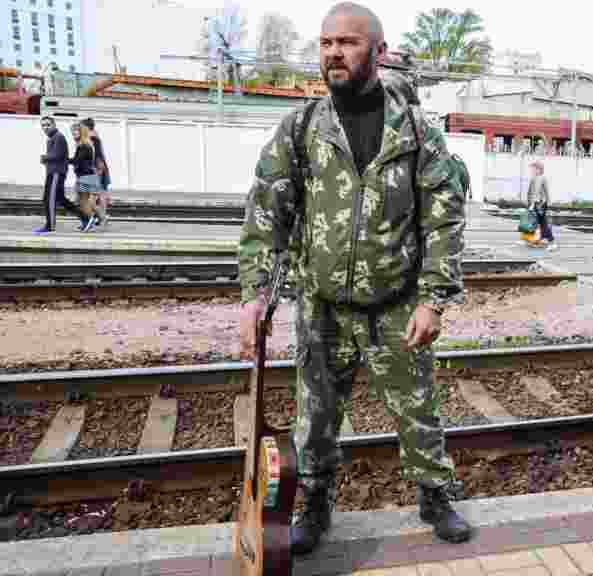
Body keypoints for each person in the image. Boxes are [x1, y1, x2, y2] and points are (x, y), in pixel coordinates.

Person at [238, 1, 473, 556]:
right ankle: (315, 505)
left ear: (379, 52)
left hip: (396, 302)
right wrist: (256, 296)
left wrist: (433, 300)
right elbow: (267, 212)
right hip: (323, 307)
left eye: (348, 42)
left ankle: (435, 496)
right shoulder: (302, 128)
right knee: (315, 417)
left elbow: (443, 218)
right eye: (326, 43)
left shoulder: (415, 130)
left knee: (417, 409)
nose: (334, 53)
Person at [35, 116, 88, 234]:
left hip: (56, 173)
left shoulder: (58, 137)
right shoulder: (52, 138)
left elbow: (58, 155)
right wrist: (47, 160)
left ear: (54, 125)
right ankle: (86, 218)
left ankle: (50, 226)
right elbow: (57, 156)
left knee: (49, 199)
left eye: (48, 124)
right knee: (61, 199)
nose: (45, 127)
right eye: (43, 125)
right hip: (53, 172)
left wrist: (45, 158)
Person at [81, 118, 112, 227]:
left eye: (81, 126)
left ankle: (101, 218)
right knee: (100, 194)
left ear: (86, 127)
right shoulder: (94, 137)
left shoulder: (92, 138)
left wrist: (98, 171)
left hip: (98, 168)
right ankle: (100, 217)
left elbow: (97, 155)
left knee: (98, 195)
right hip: (99, 168)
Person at [69, 122, 99, 232]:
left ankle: (91, 219)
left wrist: (62, 160)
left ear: (82, 132)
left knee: (82, 201)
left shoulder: (84, 146)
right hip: (86, 176)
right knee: (80, 201)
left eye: (76, 131)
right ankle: (88, 221)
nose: (73, 133)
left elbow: (77, 160)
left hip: (85, 177)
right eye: (72, 131)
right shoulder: (84, 145)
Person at [525, 160, 557, 250]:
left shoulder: (541, 178)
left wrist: (533, 204)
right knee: (536, 222)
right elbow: (531, 192)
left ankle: (551, 242)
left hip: (540, 204)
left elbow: (540, 192)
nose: (532, 170)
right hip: (537, 203)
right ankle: (534, 240)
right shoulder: (535, 178)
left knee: (542, 223)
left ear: (539, 169)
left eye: (533, 169)